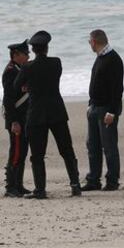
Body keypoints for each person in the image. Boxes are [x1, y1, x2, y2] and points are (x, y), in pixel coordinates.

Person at [14, 31, 81, 199]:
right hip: (57, 112)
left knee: (37, 155)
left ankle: (40, 189)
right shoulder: (56, 63)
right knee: (66, 150)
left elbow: (16, 85)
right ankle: (75, 184)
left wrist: (28, 85)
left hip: (36, 114)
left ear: (34, 50)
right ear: (47, 48)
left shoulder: (28, 67)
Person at [81, 29, 124, 192]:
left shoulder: (113, 59)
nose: (89, 45)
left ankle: (112, 180)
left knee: (109, 146)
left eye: (89, 42)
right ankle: (93, 179)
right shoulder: (100, 58)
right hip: (95, 106)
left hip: (107, 108)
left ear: (94, 41)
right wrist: (90, 103)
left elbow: (117, 88)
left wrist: (112, 111)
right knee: (92, 145)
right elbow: (96, 84)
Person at [2, 40, 31, 197]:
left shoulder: (21, 69)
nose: (28, 56)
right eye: (25, 54)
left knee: (22, 152)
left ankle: (18, 185)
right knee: (16, 152)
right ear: (16, 55)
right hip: (16, 120)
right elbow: (8, 99)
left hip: (23, 117)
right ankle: (11, 186)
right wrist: (14, 121)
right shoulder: (11, 72)